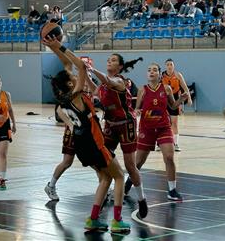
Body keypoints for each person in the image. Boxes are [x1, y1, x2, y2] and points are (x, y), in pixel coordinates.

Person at [42, 37, 130, 234]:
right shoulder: (76, 93)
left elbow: (72, 68)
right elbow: (81, 66)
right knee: (119, 176)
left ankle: (92, 219)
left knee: (104, 179)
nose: (73, 75)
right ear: (69, 83)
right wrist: (62, 46)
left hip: (81, 145)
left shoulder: (64, 98)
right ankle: (117, 221)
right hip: (94, 142)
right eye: (70, 76)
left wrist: (54, 48)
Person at [90, 54, 148, 218]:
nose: (109, 61)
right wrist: (85, 73)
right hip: (110, 124)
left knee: (130, 166)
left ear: (120, 67)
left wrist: (91, 69)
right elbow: (95, 91)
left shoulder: (119, 80)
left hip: (126, 124)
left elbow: (108, 82)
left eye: (114, 60)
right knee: (102, 161)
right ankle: (103, 193)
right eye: (108, 59)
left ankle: (142, 199)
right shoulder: (102, 83)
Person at [124, 63, 188, 201]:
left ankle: (172, 190)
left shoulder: (167, 88)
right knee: (138, 163)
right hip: (146, 129)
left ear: (160, 74)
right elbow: (136, 109)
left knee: (169, 157)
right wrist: (137, 111)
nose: (151, 72)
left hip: (163, 128)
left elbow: (172, 106)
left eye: (154, 70)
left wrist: (181, 100)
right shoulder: (143, 90)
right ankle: (127, 185)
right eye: (149, 70)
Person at [44, 54, 95, 201]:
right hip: (75, 131)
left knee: (94, 160)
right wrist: (70, 124)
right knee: (68, 162)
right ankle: (51, 185)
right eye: (85, 65)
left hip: (87, 129)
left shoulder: (87, 83)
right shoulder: (74, 87)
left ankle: (107, 186)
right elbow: (60, 110)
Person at [161, 59, 192, 152]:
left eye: (171, 64)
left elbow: (185, 88)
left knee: (174, 123)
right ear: (165, 66)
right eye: (168, 64)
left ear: (173, 66)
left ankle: (176, 144)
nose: (169, 66)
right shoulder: (161, 76)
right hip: (164, 99)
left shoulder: (178, 75)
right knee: (162, 123)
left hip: (175, 100)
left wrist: (189, 98)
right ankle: (159, 143)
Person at [0, 75, 17, 190]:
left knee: (2, 154)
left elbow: (11, 110)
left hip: (5, 126)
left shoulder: (6, 94)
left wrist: (14, 123)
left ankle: (3, 179)